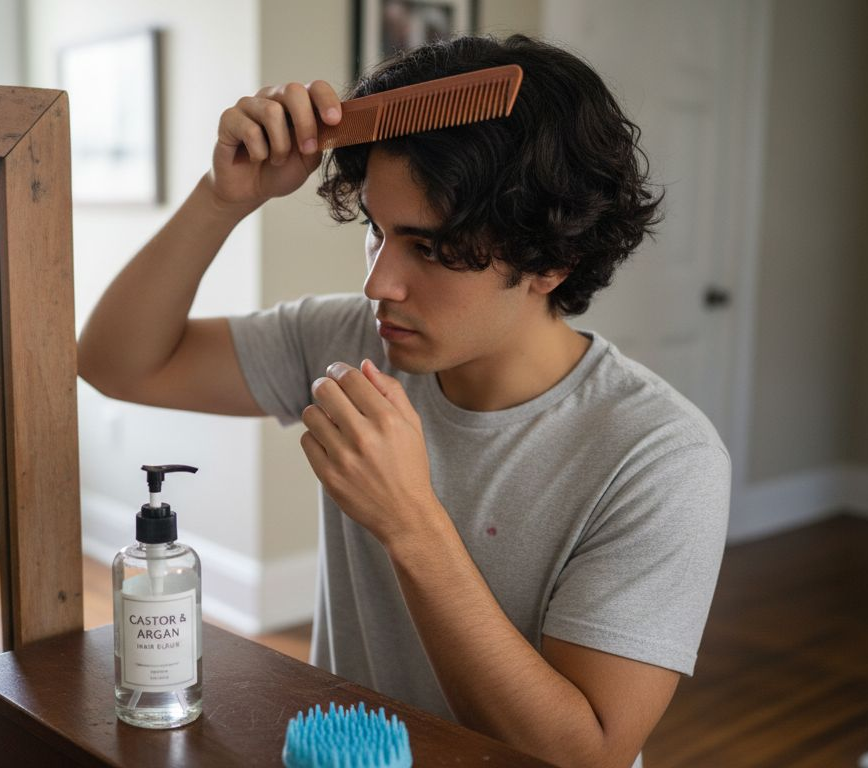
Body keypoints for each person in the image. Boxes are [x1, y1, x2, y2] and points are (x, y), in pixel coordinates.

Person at [77, 33, 729, 768]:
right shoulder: (355, 338)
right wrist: (223, 200)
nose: (379, 283)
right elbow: (117, 363)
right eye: (377, 232)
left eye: (428, 247)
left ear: (551, 259)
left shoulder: (660, 457)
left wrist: (410, 523)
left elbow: (585, 754)